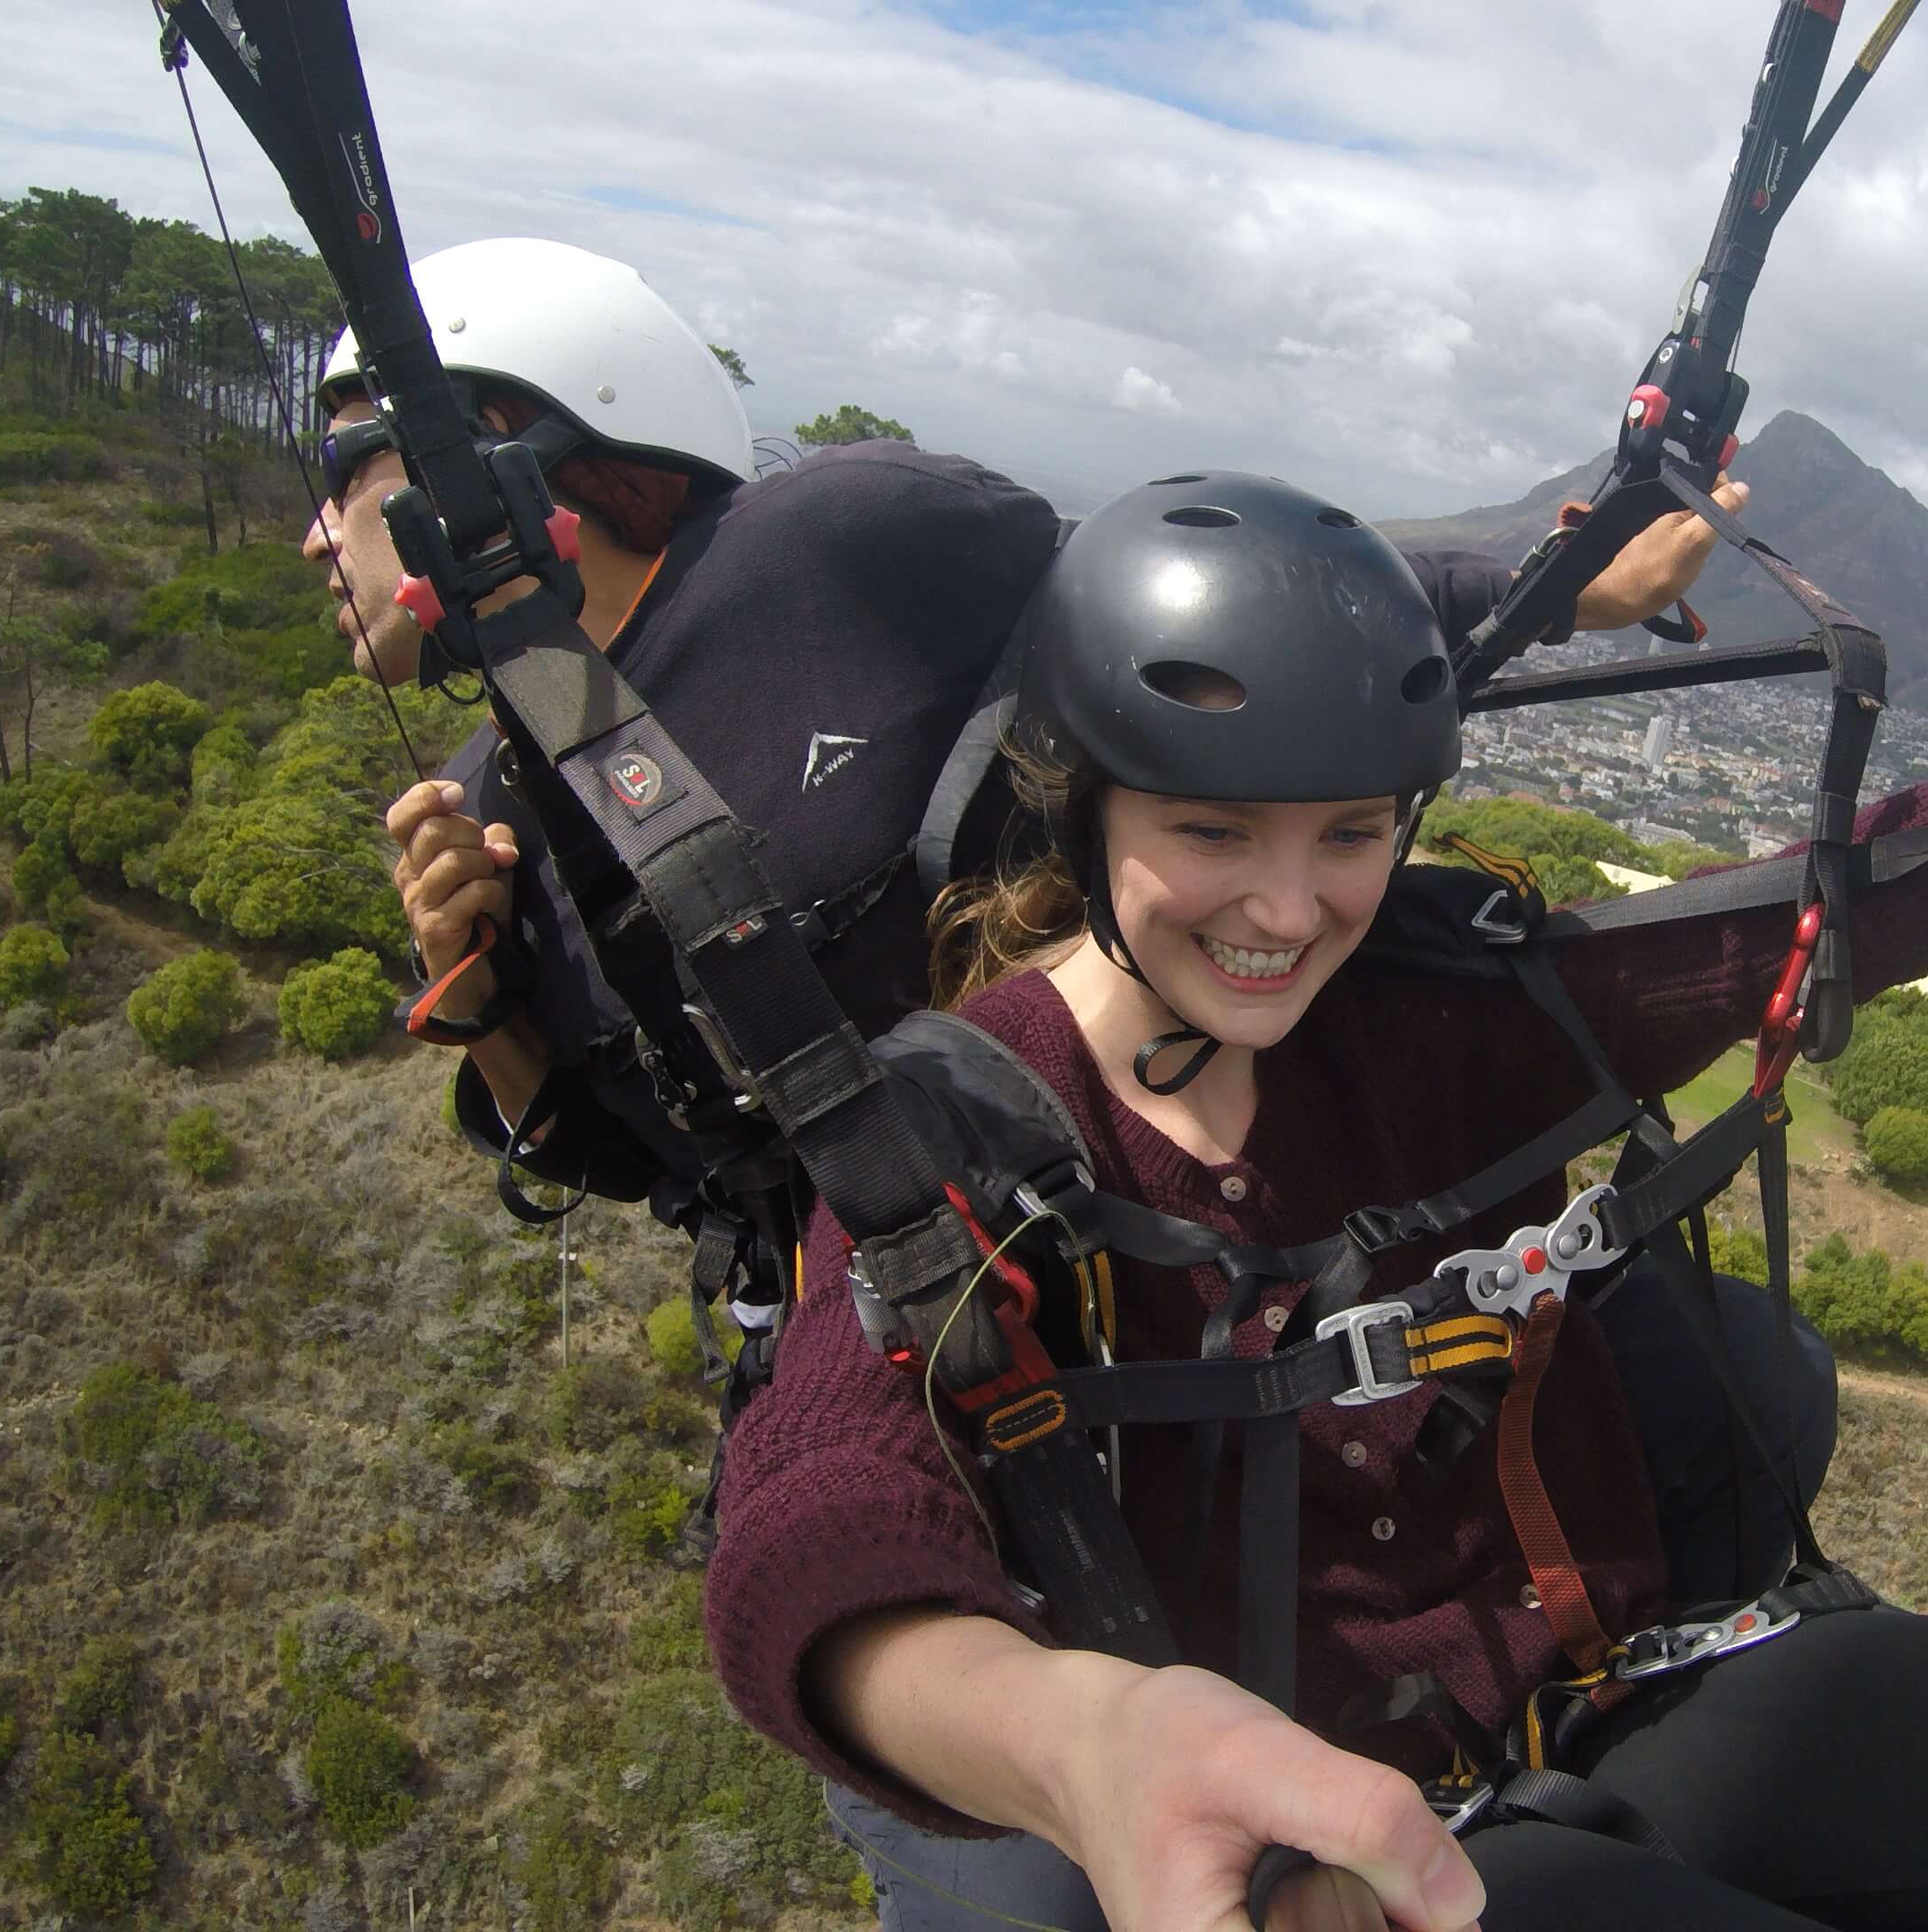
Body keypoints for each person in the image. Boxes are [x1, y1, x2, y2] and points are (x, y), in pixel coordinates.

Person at [702, 461, 1928, 1929]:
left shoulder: (1432, 1015)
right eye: (1212, 834)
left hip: (1611, 1695)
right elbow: (820, 1516)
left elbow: (1856, 901)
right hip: (1328, 1844)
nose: (1283, 910)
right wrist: (1079, 1735)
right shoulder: (971, 1123)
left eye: (1348, 835)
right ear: (1080, 809)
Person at [329, 243, 1837, 1570]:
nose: (319, 538)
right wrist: (483, 1008)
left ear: (508, 454)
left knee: (1731, 1389)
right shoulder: (487, 804)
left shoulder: (828, 555)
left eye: (342, 476)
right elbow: (648, 1152)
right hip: (921, 1321)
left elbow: (1175, 620)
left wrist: (1563, 581)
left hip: (1175, 1157)